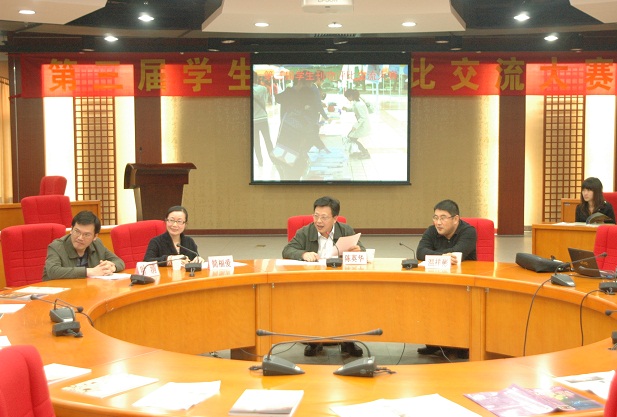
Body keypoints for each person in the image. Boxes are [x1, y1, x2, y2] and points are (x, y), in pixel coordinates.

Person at [283, 196, 365, 357]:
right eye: (316, 216)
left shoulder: (346, 230)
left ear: (335, 218)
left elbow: (362, 249)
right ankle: (315, 341)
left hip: (340, 280)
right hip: (314, 281)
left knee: (350, 297)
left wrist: (358, 251)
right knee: (315, 300)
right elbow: (287, 250)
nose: (318, 221)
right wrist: (303, 254)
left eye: (324, 217)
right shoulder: (305, 232)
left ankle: (347, 341)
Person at [416, 199, 477, 359]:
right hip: (437, 279)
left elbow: (457, 254)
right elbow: (420, 252)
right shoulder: (431, 231)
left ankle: (459, 345)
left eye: (443, 218)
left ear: (455, 219)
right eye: (435, 217)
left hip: (463, 282)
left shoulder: (468, 232)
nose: (438, 222)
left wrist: (435, 255)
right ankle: (434, 342)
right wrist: (443, 256)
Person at [43, 210, 125, 281]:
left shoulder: (97, 244)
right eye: (77, 231)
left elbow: (119, 262)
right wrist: (89, 271)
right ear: (71, 230)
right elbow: (53, 271)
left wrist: (111, 267)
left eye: (86, 234)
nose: (80, 238)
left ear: (95, 236)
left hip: (87, 290)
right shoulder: (56, 246)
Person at [342, 89, 371, 160]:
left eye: (347, 97)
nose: (347, 99)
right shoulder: (357, 103)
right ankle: (363, 151)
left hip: (362, 125)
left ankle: (365, 153)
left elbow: (363, 117)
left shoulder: (358, 104)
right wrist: (347, 109)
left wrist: (355, 126)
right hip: (361, 124)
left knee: (352, 138)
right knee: (352, 138)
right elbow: (355, 109)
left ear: (351, 96)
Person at [252, 72, 274, 167]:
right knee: (268, 140)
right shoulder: (263, 89)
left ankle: (260, 161)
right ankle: (273, 160)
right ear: (257, 79)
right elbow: (266, 100)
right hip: (263, 118)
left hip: (253, 120)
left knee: (256, 142)